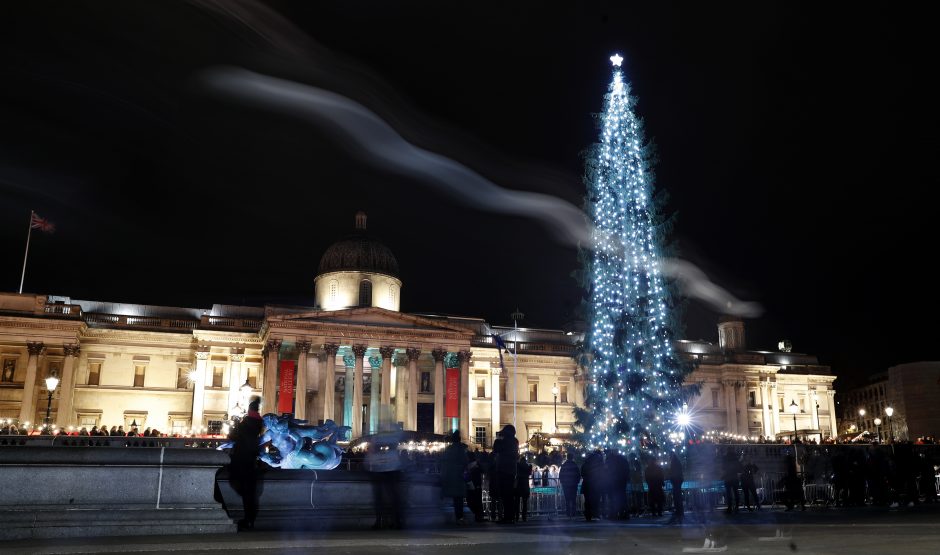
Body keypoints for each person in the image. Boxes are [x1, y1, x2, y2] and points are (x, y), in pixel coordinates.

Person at [230, 396, 264, 530]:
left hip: (242, 458)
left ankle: (248, 520)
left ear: (249, 410)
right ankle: (250, 519)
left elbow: (233, 436)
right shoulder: (257, 423)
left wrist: (236, 424)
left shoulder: (246, 423)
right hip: (251, 459)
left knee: (242, 487)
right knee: (250, 492)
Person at [441, 430, 469, 524]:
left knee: (452, 498)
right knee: (459, 499)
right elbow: (465, 462)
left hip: (450, 476)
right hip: (459, 476)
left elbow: (443, 462)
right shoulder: (462, 449)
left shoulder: (449, 449)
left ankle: (453, 517)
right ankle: (459, 518)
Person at [493, 425, 519, 523]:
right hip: (511, 470)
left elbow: (496, 449)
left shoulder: (503, 442)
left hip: (504, 470)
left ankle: (508, 517)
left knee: (505, 495)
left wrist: (498, 439)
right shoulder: (514, 441)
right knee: (508, 495)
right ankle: (509, 516)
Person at [581, 449, 604, 521]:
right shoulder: (599, 462)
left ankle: (588, 515)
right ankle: (596, 513)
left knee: (588, 500)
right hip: (596, 484)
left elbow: (582, 473)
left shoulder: (586, 463)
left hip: (587, 484)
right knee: (596, 499)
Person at [559, 451, 582, 518]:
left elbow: (561, 475)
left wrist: (563, 482)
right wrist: (576, 482)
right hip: (573, 484)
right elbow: (578, 475)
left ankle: (568, 513)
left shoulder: (564, 465)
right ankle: (573, 513)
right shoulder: (575, 465)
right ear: (572, 457)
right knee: (573, 499)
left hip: (566, 485)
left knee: (567, 499)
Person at [466, 451, 484, 522]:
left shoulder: (468, 466)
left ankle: (475, 515)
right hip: (477, 486)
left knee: (471, 501)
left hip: (471, 486)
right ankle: (479, 516)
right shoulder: (477, 465)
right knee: (478, 501)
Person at [667, 451, 684, 523]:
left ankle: (679, 512)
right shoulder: (676, 461)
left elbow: (674, 472)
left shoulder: (674, 462)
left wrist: (672, 478)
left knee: (677, 497)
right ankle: (680, 511)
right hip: (678, 480)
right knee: (677, 497)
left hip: (676, 481)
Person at [516, 455, 532, 521]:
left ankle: (516, 516)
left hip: (518, 485)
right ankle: (524, 517)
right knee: (525, 503)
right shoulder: (528, 466)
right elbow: (529, 473)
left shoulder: (517, 465)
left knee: (517, 502)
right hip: (525, 486)